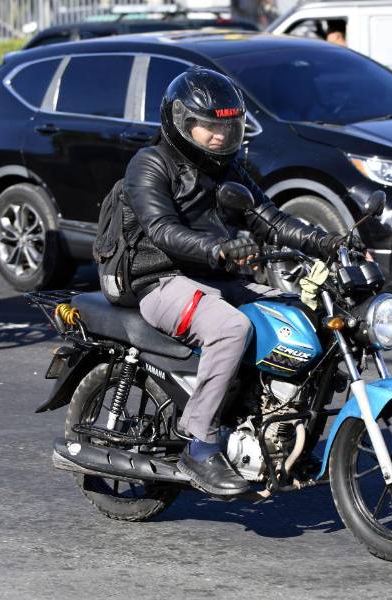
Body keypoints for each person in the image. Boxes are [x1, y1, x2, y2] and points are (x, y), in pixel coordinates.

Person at [120, 67, 351, 495]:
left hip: (215, 276)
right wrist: (219, 249)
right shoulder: (150, 164)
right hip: (161, 279)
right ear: (181, 122)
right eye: (209, 127)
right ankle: (200, 441)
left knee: (302, 315)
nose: (219, 138)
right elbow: (162, 230)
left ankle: (284, 430)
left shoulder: (230, 170)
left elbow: (270, 219)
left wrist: (327, 241)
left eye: (227, 127)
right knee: (232, 328)